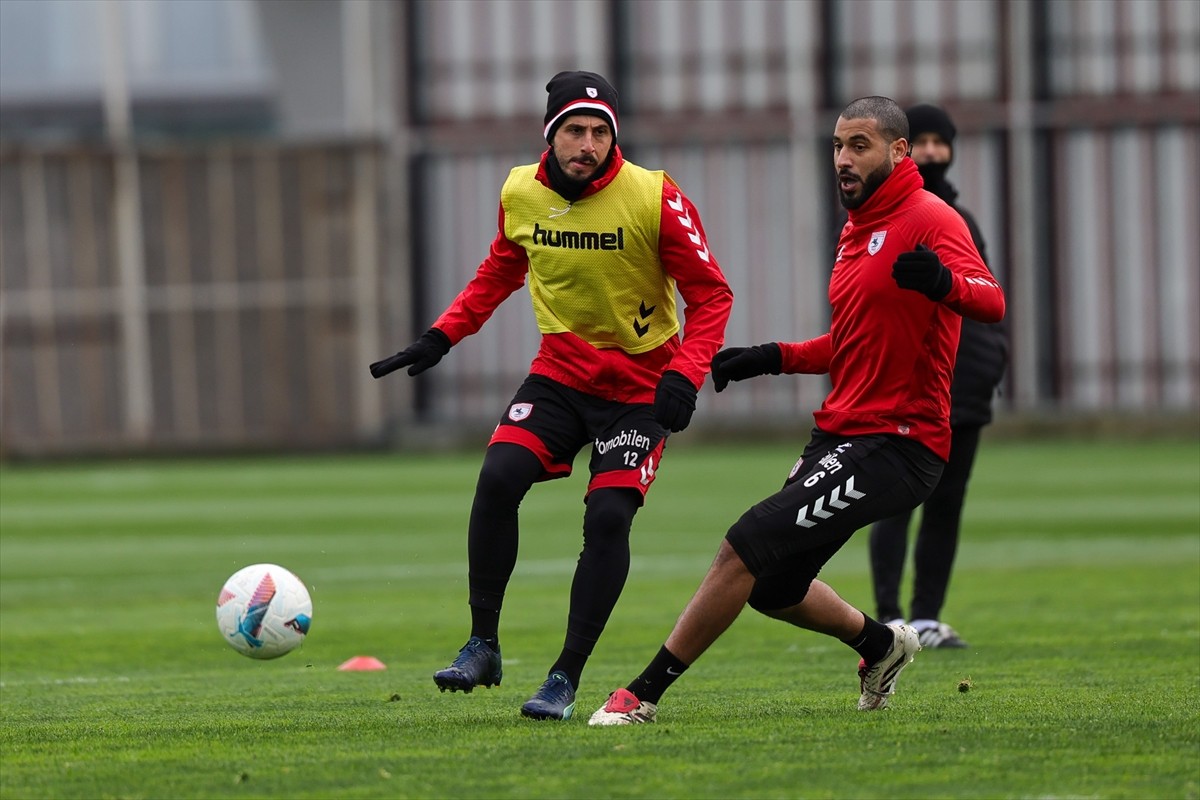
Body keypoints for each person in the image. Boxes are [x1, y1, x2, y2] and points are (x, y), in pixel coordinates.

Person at [587, 96, 1005, 726]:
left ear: (897, 151)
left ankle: (641, 694)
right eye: (837, 145)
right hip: (841, 431)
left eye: (858, 145)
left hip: (900, 442)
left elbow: (991, 300)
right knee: (775, 588)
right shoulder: (858, 226)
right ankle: (878, 644)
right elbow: (855, 342)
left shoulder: (931, 218)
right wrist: (769, 356)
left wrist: (944, 283)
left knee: (744, 546)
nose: (842, 158)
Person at [369, 71, 733, 721]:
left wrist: (685, 373)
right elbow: (504, 266)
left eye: (600, 131)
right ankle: (483, 644)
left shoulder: (654, 196)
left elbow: (712, 295)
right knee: (499, 475)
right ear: (551, 134)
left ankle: (565, 675)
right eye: (574, 129)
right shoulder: (520, 191)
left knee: (608, 518)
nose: (587, 143)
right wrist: (441, 336)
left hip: (642, 387)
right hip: (561, 375)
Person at [868, 104, 1009, 649]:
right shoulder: (879, 218)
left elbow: (984, 296)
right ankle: (888, 616)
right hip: (905, 390)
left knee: (946, 503)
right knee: (892, 501)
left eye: (938, 141)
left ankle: (926, 616)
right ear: (900, 149)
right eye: (918, 141)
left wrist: (992, 360)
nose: (929, 151)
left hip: (964, 386)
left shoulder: (958, 219)